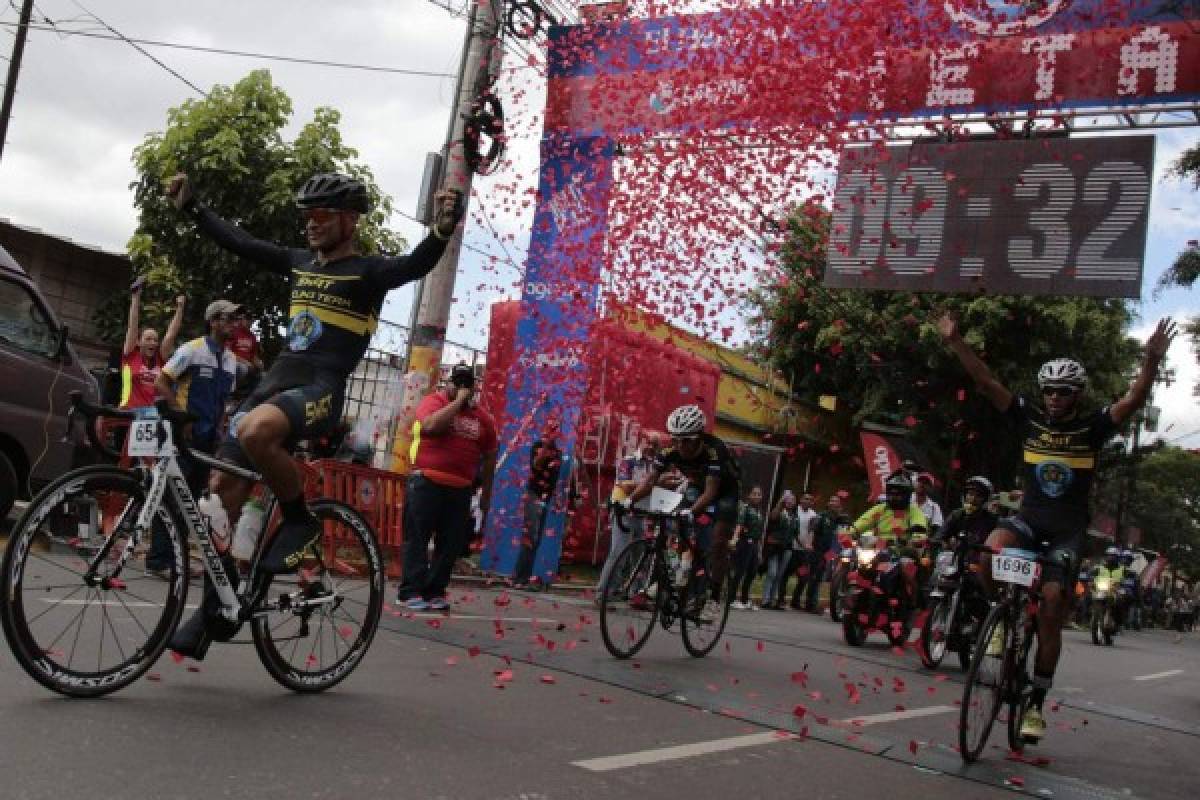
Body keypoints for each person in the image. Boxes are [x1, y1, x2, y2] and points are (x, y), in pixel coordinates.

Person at [163, 171, 463, 658]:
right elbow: (242, 242)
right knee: (221, 499)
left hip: (320, 389)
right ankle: (214, 607)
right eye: (307, 217)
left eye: (322, 216)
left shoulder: (368, 272)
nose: (311, 225)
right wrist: (193, 207)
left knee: (259, 431)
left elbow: (417, 263)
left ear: (349, 219)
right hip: (275, 382)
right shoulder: (300, 262)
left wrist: (443, 228)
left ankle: (301, 521)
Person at [938, 311, 1174, 742]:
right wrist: (956, 342)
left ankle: (1035, 706)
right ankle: (1002, 620)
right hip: (1029, 521)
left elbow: (1133, 401)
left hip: (1067, 532)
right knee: (990, 550)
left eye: (1063, 392)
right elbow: (987, 382)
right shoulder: (1027, 416)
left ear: (1077, 395)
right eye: (1048, 391)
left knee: (1050, 606)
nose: (1053, 398)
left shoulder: (1092, 427)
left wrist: (1152, 363)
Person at [149, 300, 239, 575]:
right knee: (171, 496)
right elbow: (161, 382)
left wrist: (222, 432)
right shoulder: (192, 350)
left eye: (236, 319)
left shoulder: (231, 360)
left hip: (208, 440)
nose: (233, 324)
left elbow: (224, 401)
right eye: (227, 318)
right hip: (182, 436)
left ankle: (177, 558)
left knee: (193, 501)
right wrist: (180, 416)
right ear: (213, 321)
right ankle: (158, 560)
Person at [625, 404, 740, 619]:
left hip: (724, 492)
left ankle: (713, 598)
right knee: (674, 523)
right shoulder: (670, 451)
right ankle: (676, 574)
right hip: (697, 486)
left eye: (686, 440)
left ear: (699, 438)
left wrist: (691, 512)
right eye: (675, 439)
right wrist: (627, 501)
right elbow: (650, 482)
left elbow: (711, 492)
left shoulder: (715, 451)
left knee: (717, 542)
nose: (680, 445)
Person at [398, 363, 497, 610]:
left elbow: (490, 454)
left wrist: (487, 493)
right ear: (449, 383)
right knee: (417, 538)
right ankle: (410, 590)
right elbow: (431, 426)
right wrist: (457, 403)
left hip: (461, 487)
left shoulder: (482, 418)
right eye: (458, 382)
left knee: (450, 543)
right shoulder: (434, 402)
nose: (463, 387)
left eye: (468, 384)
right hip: (427, 480)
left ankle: (435, 590)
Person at [597, 432, 661, 595]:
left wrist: (648, 485)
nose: (651, 448)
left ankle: (636, 593)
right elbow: (625, 486)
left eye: (655, 445)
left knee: (641, 556)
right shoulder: (629, 461)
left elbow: (662, 486)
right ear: (641, 442)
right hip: (623, 511)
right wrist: (649, 485)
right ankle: (604, 593)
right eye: (649, 443)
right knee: (618, 553)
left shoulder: (656, 465)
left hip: (643, 513)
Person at [851, 471, 928, 603]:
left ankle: (913, 598)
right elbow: (863, 521)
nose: (894, 496)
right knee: (860, 565)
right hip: (879, 549)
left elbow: (919, 525)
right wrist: (851, 531)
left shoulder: (913, 510)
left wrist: (917, 538)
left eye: (898, 493)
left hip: (903, 549)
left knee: (907, 569)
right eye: (892, 492)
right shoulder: (880, 509)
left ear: (907, 495)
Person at [513, 419, 564, 589]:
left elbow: (554, 477)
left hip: (545, 498)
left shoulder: (557, 452)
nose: (553, 432)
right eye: (550, 428)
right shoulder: (537, 446)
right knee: (530, 538)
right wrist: (546, 445)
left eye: (555, 429)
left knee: (536, 539)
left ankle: (524, 577)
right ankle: (519, 578)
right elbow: (536, 465)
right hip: (534, 495)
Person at [120, 285, 185, 410]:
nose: (153, 343)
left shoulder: (160, 359)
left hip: (153, 417)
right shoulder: (131, 355)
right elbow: (132, 326)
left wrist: (180, 308)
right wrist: (135, 297)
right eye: (148, 339)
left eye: (155, 340)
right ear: (138, 342)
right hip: (127, 413)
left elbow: (171, 334)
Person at [798, 493, 844, 612]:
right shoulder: (822, 516)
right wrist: (809, 544)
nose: (833, 503)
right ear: (828, 504)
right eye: (832, 501)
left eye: (836, 501)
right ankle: (810, 605)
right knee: (813, 577)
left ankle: (812, 602)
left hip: (829, 553)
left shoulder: (839, 519)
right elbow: (813, 530)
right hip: (817, 551)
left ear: (840, 505)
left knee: (819, 578)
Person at [760, 490, 799, 610]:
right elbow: (773, 517)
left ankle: (773, 600)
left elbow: (795, 534)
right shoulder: (780, 511)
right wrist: (780, 503)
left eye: (792, 500)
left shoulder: (794, 516)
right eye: (788, 499)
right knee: (772, 572)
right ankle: (765, 600)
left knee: (779, 575)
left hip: (787, 548)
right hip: (775, 547)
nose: (790, 502)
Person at [782, 492, 820, 610]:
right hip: (792, 549)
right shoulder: (794, 511)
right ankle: (781, 598)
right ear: (800, 500)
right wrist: (801, 543)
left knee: (803, 577)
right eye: (805, 498)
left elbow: (812, 531)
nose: (807, 501)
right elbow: (793, 531)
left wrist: (808, 544)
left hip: (803, 553)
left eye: (810, 499)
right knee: (786, 574)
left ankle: (795, 600)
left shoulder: (813, 514)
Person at [730, 485, 765, 610]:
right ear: (749, 495)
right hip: (744, 542)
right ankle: (732, 599)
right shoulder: (745, 508)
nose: (756, 496)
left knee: (752, 572)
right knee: (740, 571)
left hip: (755, 544)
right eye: (754, 493)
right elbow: (739, 524)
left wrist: (760, 550)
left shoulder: (759, 511)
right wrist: (734, 540)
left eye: (759, 494)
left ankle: (745, 600)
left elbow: (760, 532)